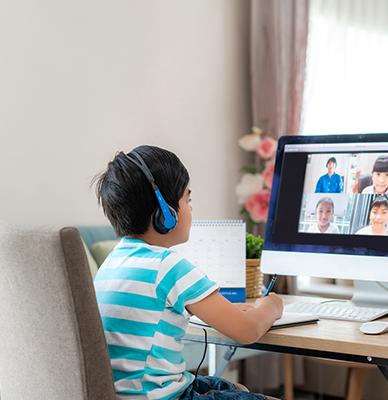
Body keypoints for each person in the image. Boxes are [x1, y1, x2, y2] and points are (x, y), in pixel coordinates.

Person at [93, 145, 282, 400]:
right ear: (165, 214)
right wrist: (272, 305)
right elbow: (247, 331)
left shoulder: (112, 262)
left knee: (234, 389)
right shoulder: (168, 265)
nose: (190, 209)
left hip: (130, 394)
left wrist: (229, 310)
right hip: (162, 397)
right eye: (187, 200)